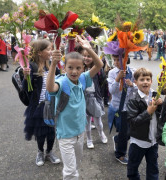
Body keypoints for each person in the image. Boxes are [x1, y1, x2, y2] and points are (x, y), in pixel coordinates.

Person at [46, 35, 103, 179]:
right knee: (70, 171)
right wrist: (53, 64)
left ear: (83, 68)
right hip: (65, 135)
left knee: (76, 165)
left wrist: (89, 49)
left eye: (78, 68)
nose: (74, 71)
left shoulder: (83, 79)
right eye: (70, 67)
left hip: (80, 132)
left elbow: (99, 65)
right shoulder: (62, 81)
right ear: (64, 68)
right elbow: (50, 88)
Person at [22, 39, 61, 167]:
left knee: (51, 131)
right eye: (48, 49)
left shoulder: (51, 65)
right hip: (39, 105)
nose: (50, 52)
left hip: (52, 104)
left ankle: (49, 152)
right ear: (39, 52)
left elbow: (60, 79)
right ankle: (40, 151)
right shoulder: (32, 67)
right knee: (40, 131)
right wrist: (26, 77)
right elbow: (28, 90)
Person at [126, 68, 163, 180]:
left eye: (148, 79)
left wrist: (161, 105)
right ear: (135, 82)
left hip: (153, 141)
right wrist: (148, 112)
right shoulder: (133, 99)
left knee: (153, 167)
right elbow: (132, 122)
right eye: (142, 79)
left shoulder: (156, 95)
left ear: (151, 81)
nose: (145, 82)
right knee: (133, 167)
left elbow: (161, 116)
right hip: (138, 142)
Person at [107, 53, 136, 165]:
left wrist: (133, 85)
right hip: (118, 107)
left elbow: (136, 90)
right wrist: (117, 79)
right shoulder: (112, 72)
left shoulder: (133, 72)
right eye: (114, 60)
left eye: (118, 60)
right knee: (124, 132)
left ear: (126, 59)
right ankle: (120, 154)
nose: (115, 62)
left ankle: (117, 139)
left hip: (129, 106)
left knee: (130, 132)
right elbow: (112, 91)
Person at [78, 46, 108, 148]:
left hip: (95, 97)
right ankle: (89, 139)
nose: (86, 58)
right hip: (83, 98)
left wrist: (102, 96)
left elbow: (102, 81)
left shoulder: (97, 69)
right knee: (86, 122)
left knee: (98, 120)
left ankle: (101, 133)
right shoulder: (79, 68)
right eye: (84, 56)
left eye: (89, 56)